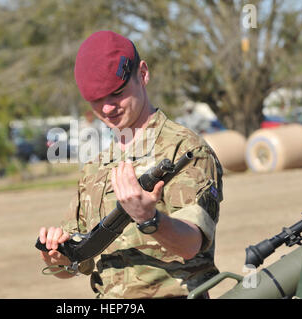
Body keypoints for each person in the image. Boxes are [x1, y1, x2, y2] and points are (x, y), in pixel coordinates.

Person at [38, 30, 223, 299]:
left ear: (143, 73)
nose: (107, 109)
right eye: (96, 100)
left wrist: (149, 219)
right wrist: (54, 257)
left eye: (116, 93)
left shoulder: (185, 149)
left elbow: (190, 244)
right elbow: (76, 264)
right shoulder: (95, 168)